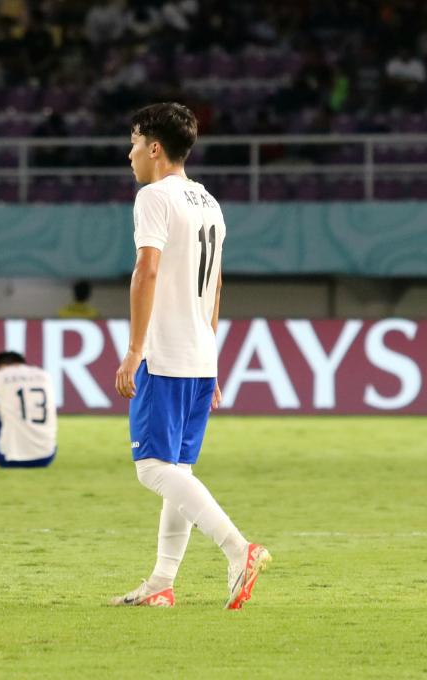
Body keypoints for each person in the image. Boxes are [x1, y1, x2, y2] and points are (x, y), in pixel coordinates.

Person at [110, 102, 270, 609]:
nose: (130, 153)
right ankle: (162, 581)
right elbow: (216, 284)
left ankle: (238, 548)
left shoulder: (153, 197)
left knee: (152, 469)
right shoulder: (209, 202)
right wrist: (213, 357)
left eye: (134, 142)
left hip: (166, 352)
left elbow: (147, 271)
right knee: (177, 468)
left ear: (155, 148)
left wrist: (135, 350)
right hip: (199, 351)